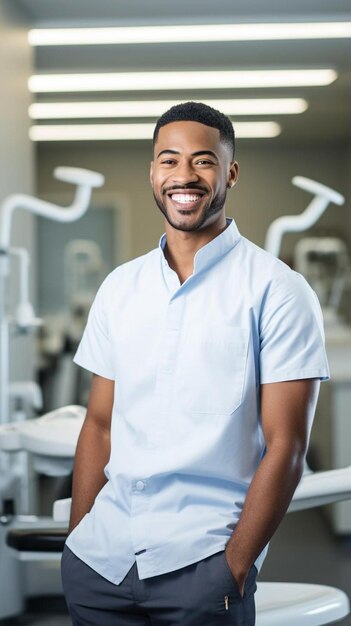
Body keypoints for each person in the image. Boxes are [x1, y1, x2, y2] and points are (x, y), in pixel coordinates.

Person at [61, 101, 329, 626]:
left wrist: (234, 566)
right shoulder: (121, 288)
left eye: (203, 160)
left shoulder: (277, 291)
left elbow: (287, 447)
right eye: (169, 160)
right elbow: (98, 424)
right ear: (153, 171)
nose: (184, 175)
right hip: (101, 562)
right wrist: (77, 541)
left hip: (203, 568)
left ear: (230, 171)